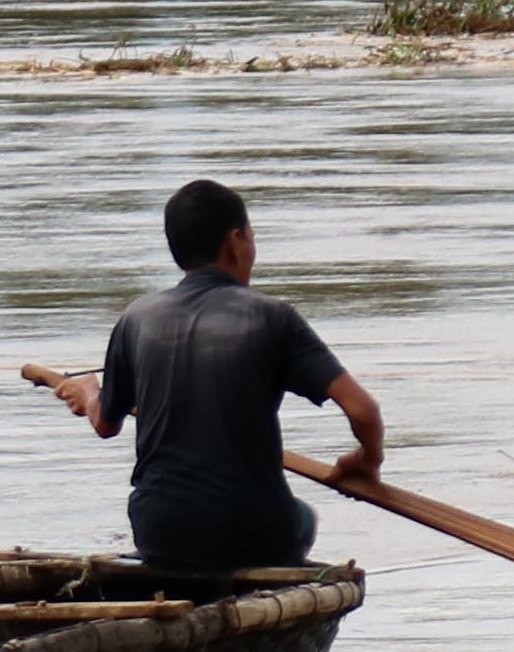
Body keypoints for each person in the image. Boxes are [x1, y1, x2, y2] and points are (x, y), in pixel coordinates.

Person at [41, 178, 384, 576]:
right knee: (304, 518)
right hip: (252, 531)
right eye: (252, 236)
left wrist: (89, 392)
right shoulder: (272, 317)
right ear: (236, 240)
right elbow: (363, 410)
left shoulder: (137, 318)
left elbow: (104, 423)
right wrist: (367, 461)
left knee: (184, 528)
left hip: (160, 530)